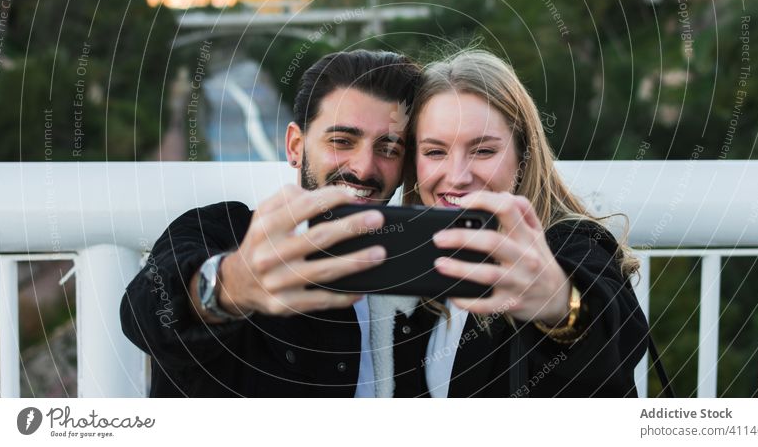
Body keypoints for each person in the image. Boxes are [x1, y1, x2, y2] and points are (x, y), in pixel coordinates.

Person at [120, 49, 422, 397]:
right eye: (342, 141)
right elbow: (144, 311)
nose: (364, 168)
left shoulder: (418, 273)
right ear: (296, 146)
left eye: (388, 148)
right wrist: (229, 287)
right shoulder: (220, 231)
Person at [395, 48, 650, 397]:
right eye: (435, 152)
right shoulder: (419, 267)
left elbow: (611, 340)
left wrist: (561, 306)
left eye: (483, 150)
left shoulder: (572, 245)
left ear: (523, 155)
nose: (456, 177)